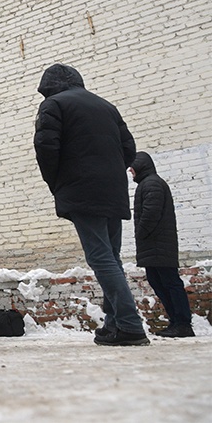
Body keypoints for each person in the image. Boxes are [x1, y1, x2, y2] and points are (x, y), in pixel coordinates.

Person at [33, 63, 147, 347]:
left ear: (49, 86)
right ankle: (114, 325)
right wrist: (110, 175)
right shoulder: (106, 106)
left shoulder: (54, 105)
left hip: (82, 189)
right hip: (113, 190)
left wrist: (57, 183)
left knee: (100, 258)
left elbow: (46, 149)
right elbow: (129, 150)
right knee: (111, 257)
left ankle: (131, 325)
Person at [130, 151, 194, 338]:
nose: (130, 171)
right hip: (154, 246)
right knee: (159, 282)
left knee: (170, 283)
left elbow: (151, 213)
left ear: (141, 165)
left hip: (158, 245)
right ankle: (176, 322)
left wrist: (140, 233)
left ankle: (183, 323)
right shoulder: (148, 183)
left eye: (132, 168)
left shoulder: (152, 184)